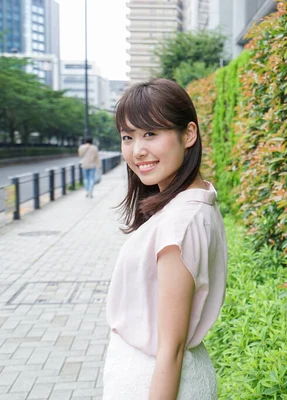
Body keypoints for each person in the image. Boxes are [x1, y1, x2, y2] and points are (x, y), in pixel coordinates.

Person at [103, 79, 228, 399]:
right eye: (127, 137)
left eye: (150, 134)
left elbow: (170, 349)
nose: (137, 150)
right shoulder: (195, 200)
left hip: (154, 382)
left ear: (188, 134)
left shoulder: (180, 223)